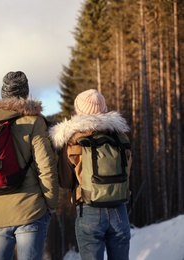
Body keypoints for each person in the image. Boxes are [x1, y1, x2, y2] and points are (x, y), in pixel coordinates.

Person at [0, 71, 59, 260]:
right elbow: (46, 167)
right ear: (26, 93)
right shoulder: (34, 122)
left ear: (3, 93)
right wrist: (50, 204)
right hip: (30, 211)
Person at [49, 89, 132, 260]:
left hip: (88, 209)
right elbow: (127, 171)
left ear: (78, 111)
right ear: (104, 108)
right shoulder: (120, 137)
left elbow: (64, 181)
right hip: (119, 208)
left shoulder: (73, 140)